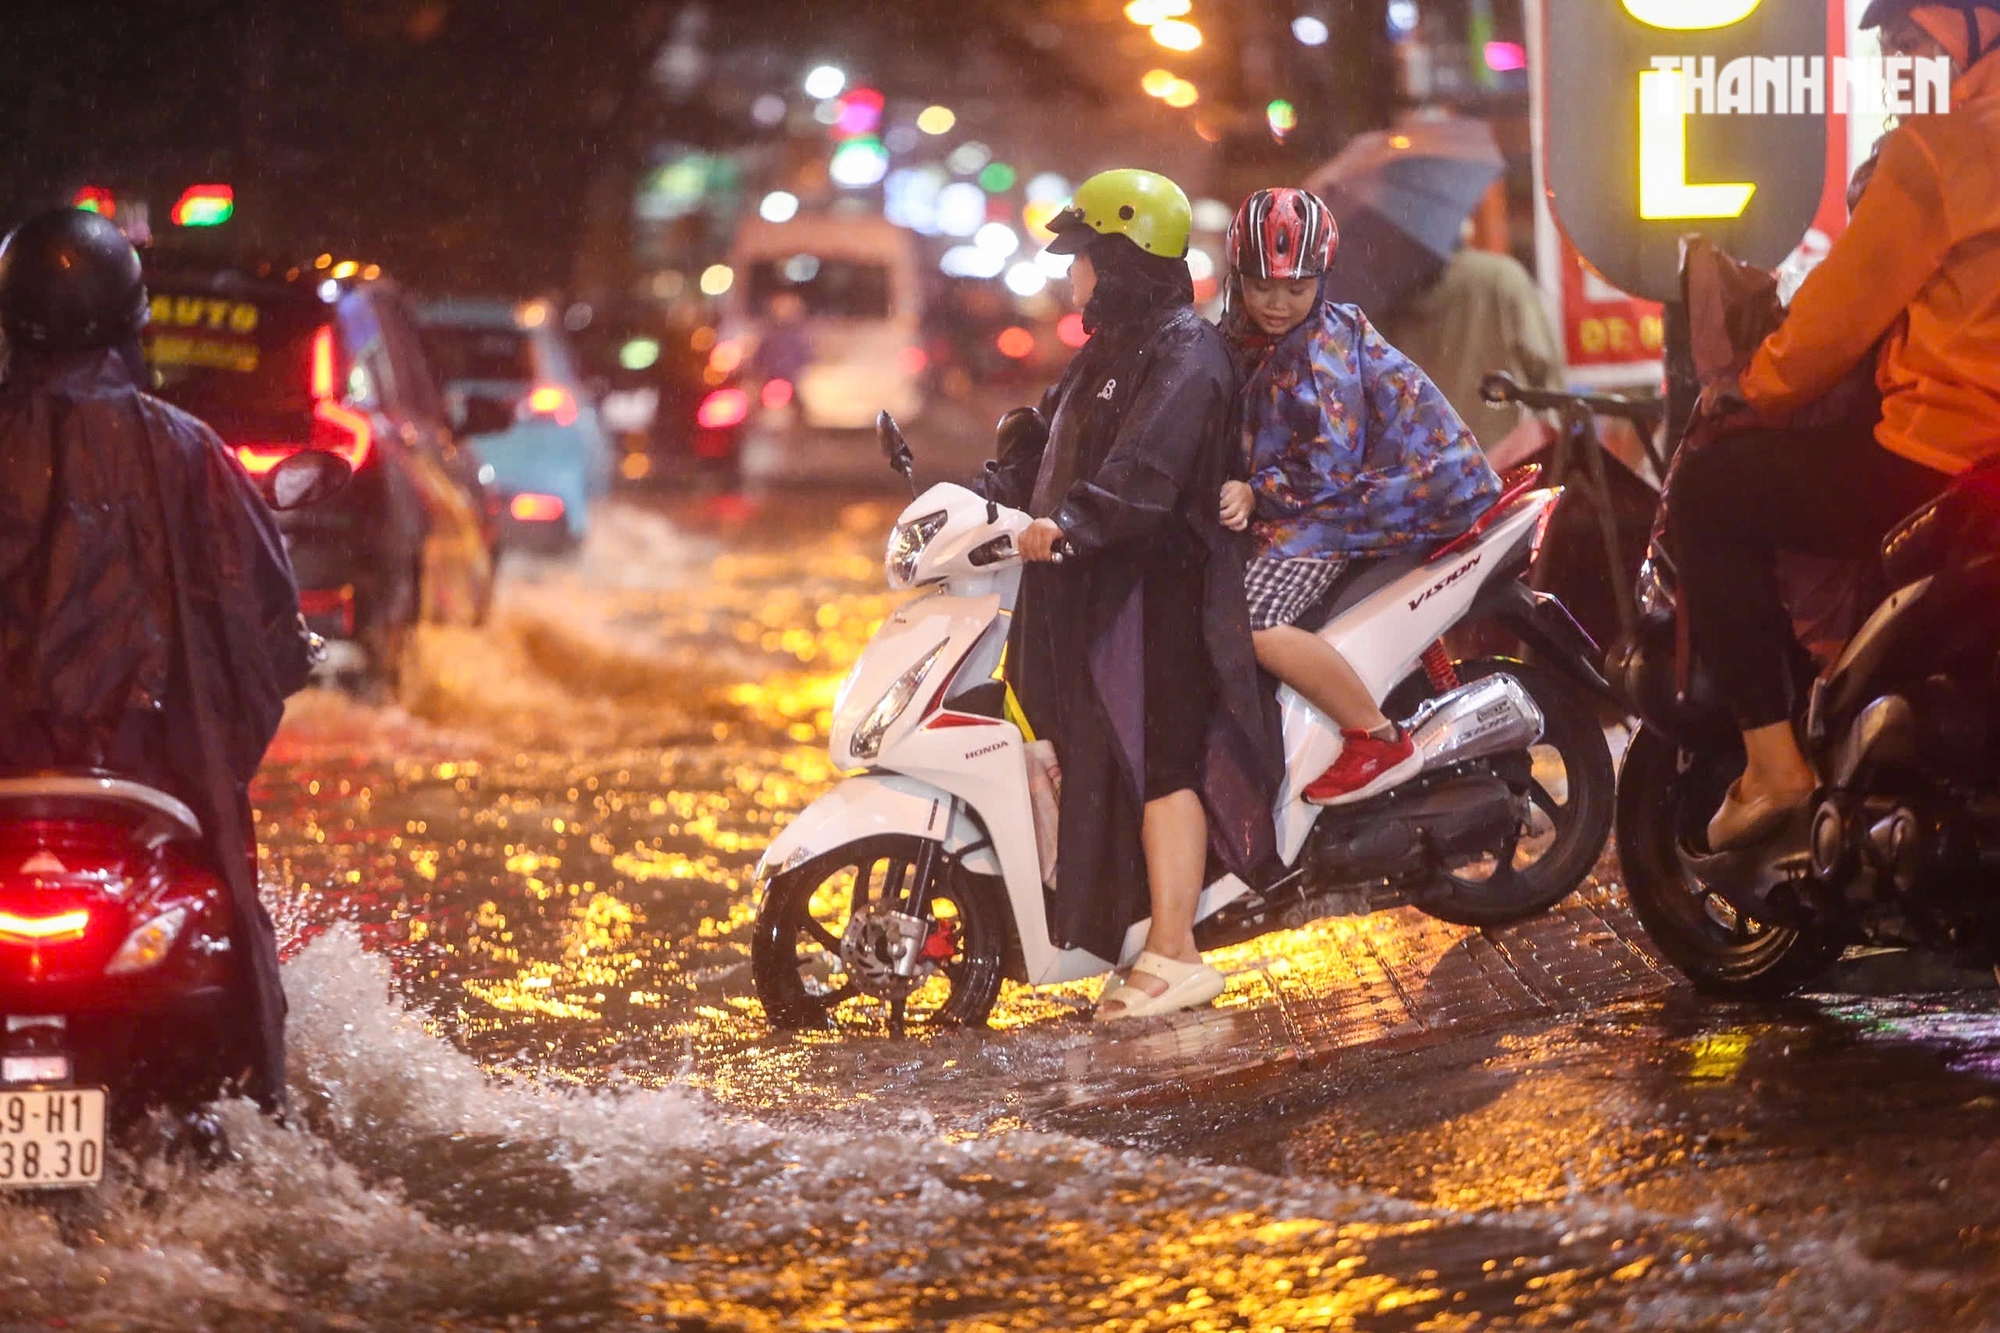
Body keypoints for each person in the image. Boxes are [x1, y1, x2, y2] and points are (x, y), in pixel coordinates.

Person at [1666, 0, 2000, 850]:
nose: (1899, 59)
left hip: (1938, 448)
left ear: (1971, 34)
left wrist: (1754, 387)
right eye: (1890, 43)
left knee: (1711, 490)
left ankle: (1774, 762)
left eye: (1914, 39)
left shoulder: (1938, 146)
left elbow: (1836, 315)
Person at [0, 208, 313, 1107]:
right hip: (143, 798)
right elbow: (263, 642)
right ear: (133, 324)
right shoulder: (191, 453)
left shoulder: (188, 453)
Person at [977, 170, 1281, 1022]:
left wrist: (1070, 520)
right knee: (1123, 760)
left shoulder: (1185, 351)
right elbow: (1056, 442)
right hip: (1103, 592)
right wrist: (991, 493)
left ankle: (1177, 948)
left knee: (1163, 763)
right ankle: (1146, 932)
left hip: (1160, 594)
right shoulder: (1112, 346)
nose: (1071, 274)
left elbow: (1145, 471)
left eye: (1082, 256)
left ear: (1121, 256)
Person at [1217, 188, 1501, 804]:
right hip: (1356, 498)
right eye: (1263, 284)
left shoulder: (1321, 350)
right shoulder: (1253, 339)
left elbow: (1329, 466)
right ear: (1237, 275)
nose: (1277, 301)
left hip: (1399, 495)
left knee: (1248, 621)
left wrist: (1254, 489)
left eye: (1297, 287)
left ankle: (1374, 737)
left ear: (1321, 279)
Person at [1377, 229, 1566, 463]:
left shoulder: (1380, 303)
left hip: (1432, 475)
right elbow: (1548, 380)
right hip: (1511, 465)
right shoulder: (1501, 278)